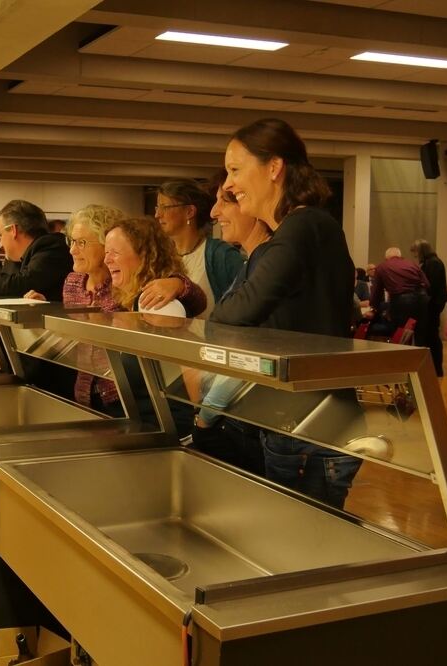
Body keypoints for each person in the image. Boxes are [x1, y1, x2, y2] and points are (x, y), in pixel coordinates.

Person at [211, 117, 361, 510]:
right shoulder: (297, 231)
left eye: (235, 170)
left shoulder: (303, 226)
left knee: (307, 544)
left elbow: (236, 312)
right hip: (304, 421)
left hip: (308, 425)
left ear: (274, 168)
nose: (228, 185)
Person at [24, 205, 206, 415]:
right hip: (86, 392)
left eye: (82, 242)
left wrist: (178, 283)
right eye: (71, 241)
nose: (73, 250)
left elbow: (194, 305)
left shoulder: (127, 286)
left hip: (126, 397)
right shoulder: (74, 283)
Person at [190, 173, 272, 475]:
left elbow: (249, 350)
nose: (213, 213)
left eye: (226, 201)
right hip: (237, 416)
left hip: (248, 420)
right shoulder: (253, 263)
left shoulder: (263, 268)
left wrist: (206, 415)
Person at [103, 216, 205, 436]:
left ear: (144, 255)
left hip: (165, 430)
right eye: (105, 252)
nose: (107, 260)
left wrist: (202, 426)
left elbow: (189, 370)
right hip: (144, 428)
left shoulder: (158, 305)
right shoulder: (129, 303)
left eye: (115, 252)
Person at [154, 180, 243, 318]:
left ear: (189, 211)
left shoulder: (221, 255)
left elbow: (240, 309)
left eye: (164, 207)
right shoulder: (161, 256)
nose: (158, 215)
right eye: (157, 208)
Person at [410, 239, 447, 376]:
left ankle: (436, 368)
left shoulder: (433, 263)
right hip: (434, 301)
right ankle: (433, 368)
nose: (415, 256)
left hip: (433, 303)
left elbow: (429, 284)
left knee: (431, 335)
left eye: (415, 252)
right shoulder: (433, 262)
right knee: (430, 335)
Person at [369, 247, 429, 336]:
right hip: (422, 300)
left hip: (401, 302)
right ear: (400, 256)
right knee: (419, 333)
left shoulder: (382, 266)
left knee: (399, 332)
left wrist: (373, 308)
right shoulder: (413, 264)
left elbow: (377, 291)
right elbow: (426, 284)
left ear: (386, 258)